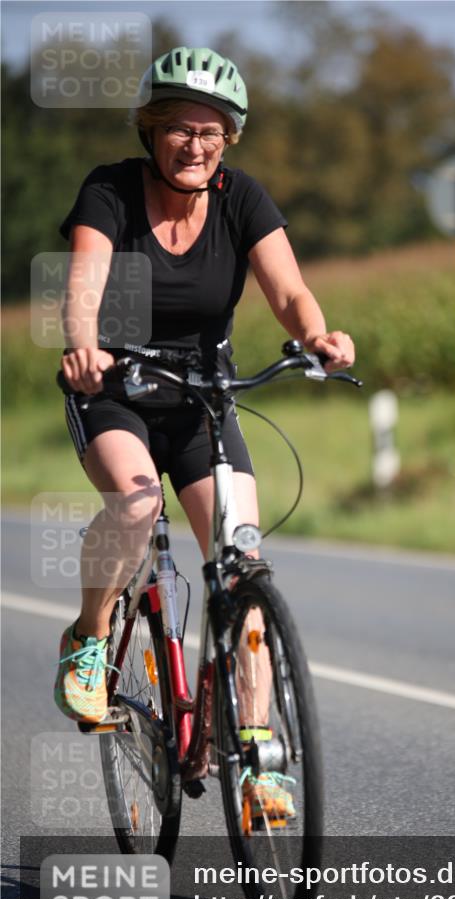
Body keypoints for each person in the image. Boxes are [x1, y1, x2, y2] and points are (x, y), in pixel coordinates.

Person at [53, 46, 355, 817]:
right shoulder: (110, 190)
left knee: (242, 569)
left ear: (230, 138)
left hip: (202, 397)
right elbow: (84, 283)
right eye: (180, 128)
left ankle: (257, 763)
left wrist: (318, 335)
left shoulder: (241, 198)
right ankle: (89, 642)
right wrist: (84, 343)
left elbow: (287, 289)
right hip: (115, 387)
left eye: (212, 129)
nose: (195, 143)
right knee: (134, 500)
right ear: (152, 132)